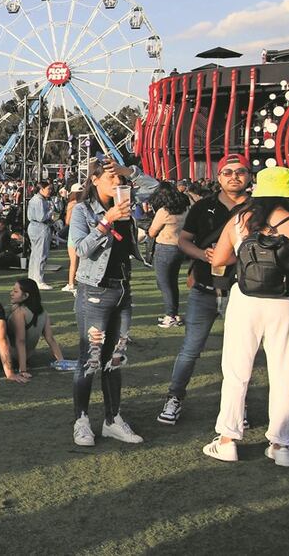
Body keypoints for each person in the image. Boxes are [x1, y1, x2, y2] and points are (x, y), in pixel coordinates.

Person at [202, 167, 289, 467]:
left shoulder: (239, 221)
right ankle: (281, 444)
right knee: (284, 371)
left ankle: (228, 439)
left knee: (237, 371)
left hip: (246, 299)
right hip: (286, 299)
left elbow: (223, 259)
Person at [69, 158, 158, 447]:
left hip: (122, 291)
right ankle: (81, 420)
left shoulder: (127, 203)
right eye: (111, 178)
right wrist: (107, 221)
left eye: (119, 179)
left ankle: (112, 419)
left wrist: (128, 172)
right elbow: (81, 248)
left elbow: (155, 187)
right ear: (94, 180)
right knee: (90, 359)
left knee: (115, 359)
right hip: (94, 291)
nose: (118, 183)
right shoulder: (83, 210)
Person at [157, 154, 251, 426]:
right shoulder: (202, 207)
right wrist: (201, 254)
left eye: (240, 171)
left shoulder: (257, 209)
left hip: (242, 291)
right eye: (228, 172)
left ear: (248, 176)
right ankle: (174, 397)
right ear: (219, 177)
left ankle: (238, 405)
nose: (234, 176)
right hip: (204, 287)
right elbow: (183, 241)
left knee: (241, 352)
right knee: (190, 349)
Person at [147, 182, 189, 328]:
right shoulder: (184, 209)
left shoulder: (164, 212)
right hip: (179, 248)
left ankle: (170, 315)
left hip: (164, 248)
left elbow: (152, 232)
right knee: (172, 282)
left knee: (164, 283)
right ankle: (174, 313)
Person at [7, 279, 66, 376]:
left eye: (15, 291)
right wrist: (61, 361)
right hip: (28, 355)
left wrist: (23, 370)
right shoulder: (43, 312)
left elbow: (20, 341)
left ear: (26, 296)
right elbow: (50, 339)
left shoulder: (20, 313)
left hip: (13, 356)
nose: (11, 293)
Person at [26, 181, 54, 289]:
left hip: (34, 227)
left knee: (35, 254)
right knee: (41, 254)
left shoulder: (37, 199)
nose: (50, 191)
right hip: (40, 227)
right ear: (41, 189)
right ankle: (39, 280)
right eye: (48, 189)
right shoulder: (39, 200)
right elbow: (41, 217)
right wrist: (51, 211)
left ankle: (33, 278)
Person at [61, 183, 82, 294]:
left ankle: (71, 283)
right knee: (81, 260)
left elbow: (67, 221)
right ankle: (78, 281)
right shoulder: (85, 203)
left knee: (73, 261)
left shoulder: (72, 204)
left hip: (73, 233)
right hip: (84, 233)